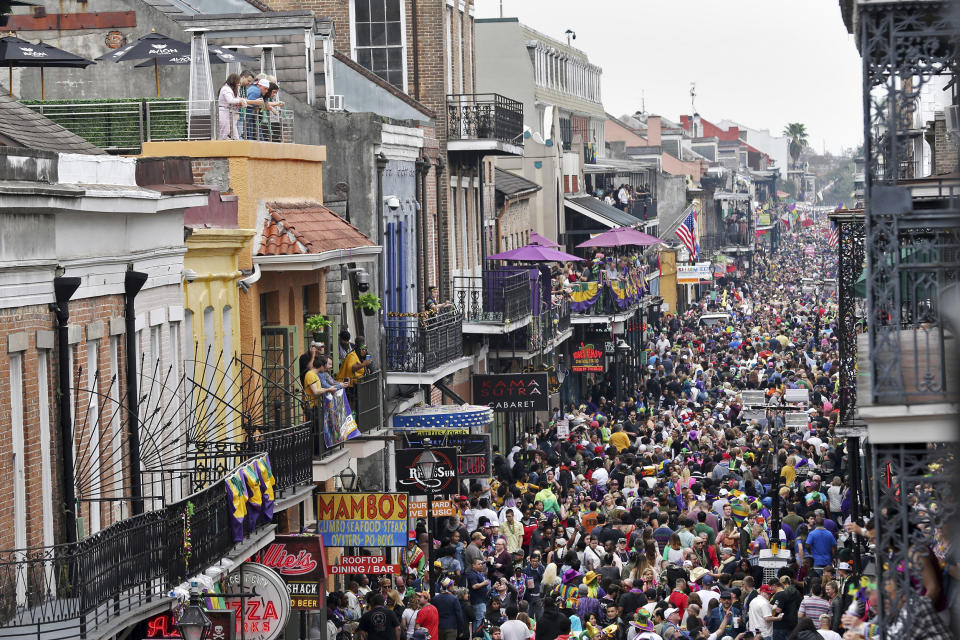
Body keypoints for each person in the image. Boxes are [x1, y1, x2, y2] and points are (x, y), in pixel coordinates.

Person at [217, 73, 247, 139]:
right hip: (224, 112)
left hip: (229, 113)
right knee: (224, 133)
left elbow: (236, 99)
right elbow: (230, 100)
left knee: (235, 135)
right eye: (238, 82)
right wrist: (241, 101)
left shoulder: (229, 89)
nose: (239, 84)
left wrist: (241, 101)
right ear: (234, 81)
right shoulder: (226, 89)